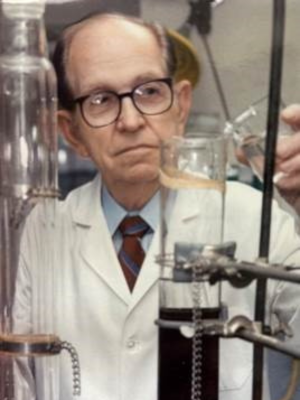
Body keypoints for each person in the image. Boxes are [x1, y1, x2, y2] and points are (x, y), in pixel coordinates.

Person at [13, 12, 300, 400]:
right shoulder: (43, 232)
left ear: (180, 106)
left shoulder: (253, 217)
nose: (130, 121)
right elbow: (18, 377)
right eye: (100, 100)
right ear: (71, 132)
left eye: (148, 91)